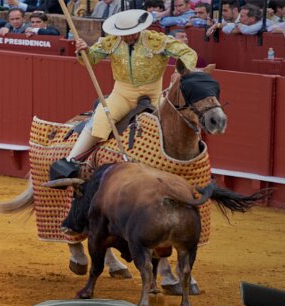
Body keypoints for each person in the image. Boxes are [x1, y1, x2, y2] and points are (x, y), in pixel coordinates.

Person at [48, 9, 198, 180]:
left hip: (154, 96)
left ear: (140, 29)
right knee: (100, 120)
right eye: (123, 34)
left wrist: (182, 72)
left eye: (131, 33)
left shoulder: (157, 40)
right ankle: (71, 161)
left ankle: (183, 164)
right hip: (122, 95)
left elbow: (188, 53)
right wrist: (84, 52)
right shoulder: (111, 42)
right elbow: (91, 60)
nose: (128, 37)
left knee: (173, 125)